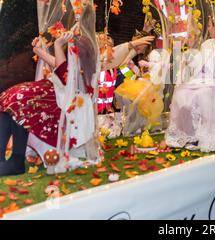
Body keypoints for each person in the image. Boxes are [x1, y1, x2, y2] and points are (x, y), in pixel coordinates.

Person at [0, 28, 153, 176]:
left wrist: (58, 46)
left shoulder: (90, 68)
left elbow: (63, 72)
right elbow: (59, 65)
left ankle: (16, 160)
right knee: (11, 98)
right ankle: (4, 159)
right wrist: (38, 50)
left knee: (19, 100)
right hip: (53, 96)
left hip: (62, 107)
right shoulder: (76, 66)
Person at [165, 13, 215, 152]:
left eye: (210, 26)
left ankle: (207, 135)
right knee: (182, 93)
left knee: (205, 94)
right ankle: (190, 133)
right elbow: (197, 63)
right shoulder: (206, 44)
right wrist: (188, 52)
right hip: (201, 79)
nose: (208, 28)